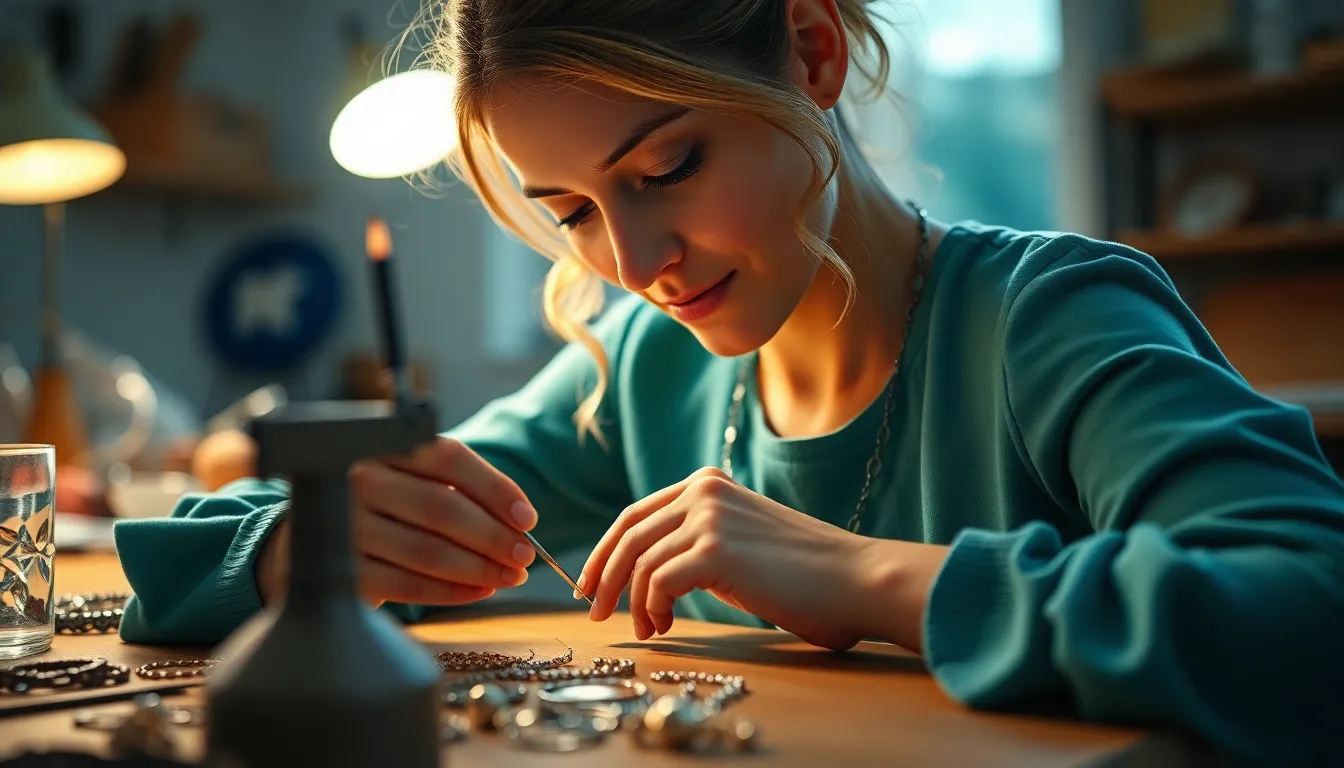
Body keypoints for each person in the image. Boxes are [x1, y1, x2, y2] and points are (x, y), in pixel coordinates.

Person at [113, 0, 1344, 764]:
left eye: (667, 166)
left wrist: (866, 576)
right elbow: (171, 569)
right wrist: (304, 553)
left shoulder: (1047, 317)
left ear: (811, 52)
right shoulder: (640, 370)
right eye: (573, 213)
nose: (634, 265)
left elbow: (1310, 610)